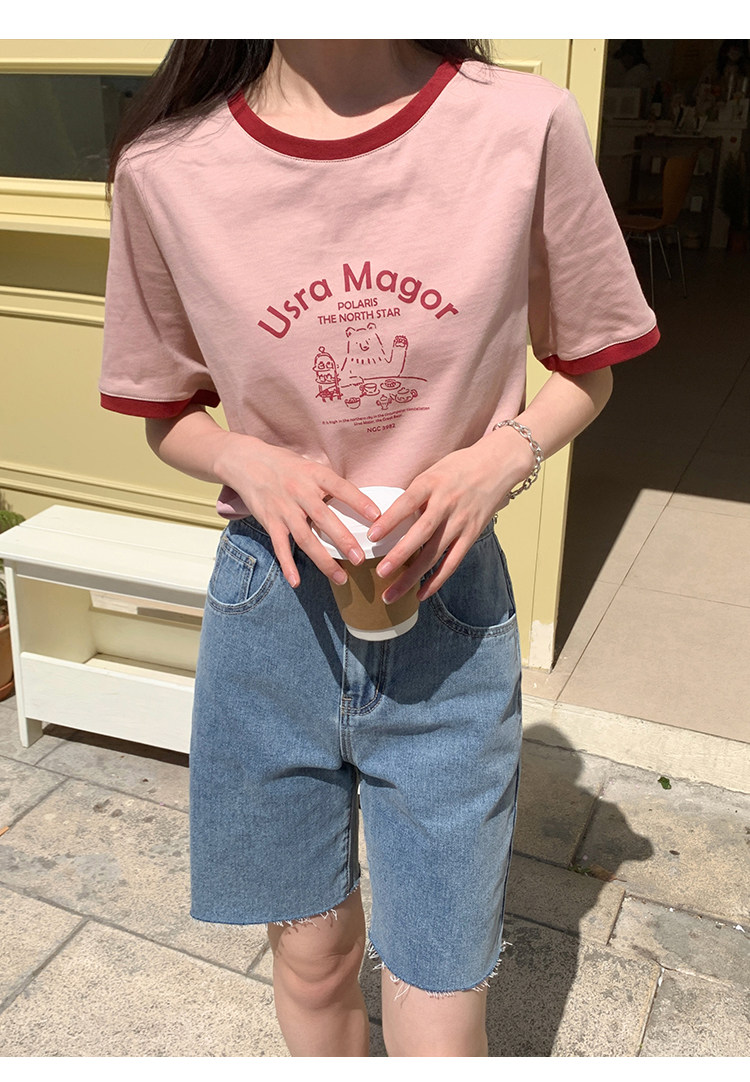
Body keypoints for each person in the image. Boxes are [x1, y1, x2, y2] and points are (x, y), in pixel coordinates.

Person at [99, 39, 659, 1057]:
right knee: (312, 960)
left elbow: (592, 362)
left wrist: (501, 456)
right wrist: (244, 458)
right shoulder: (167, 169)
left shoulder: (522, 125)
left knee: (441, 989)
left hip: (448, 614)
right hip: (271, 617)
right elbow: (163, 408)